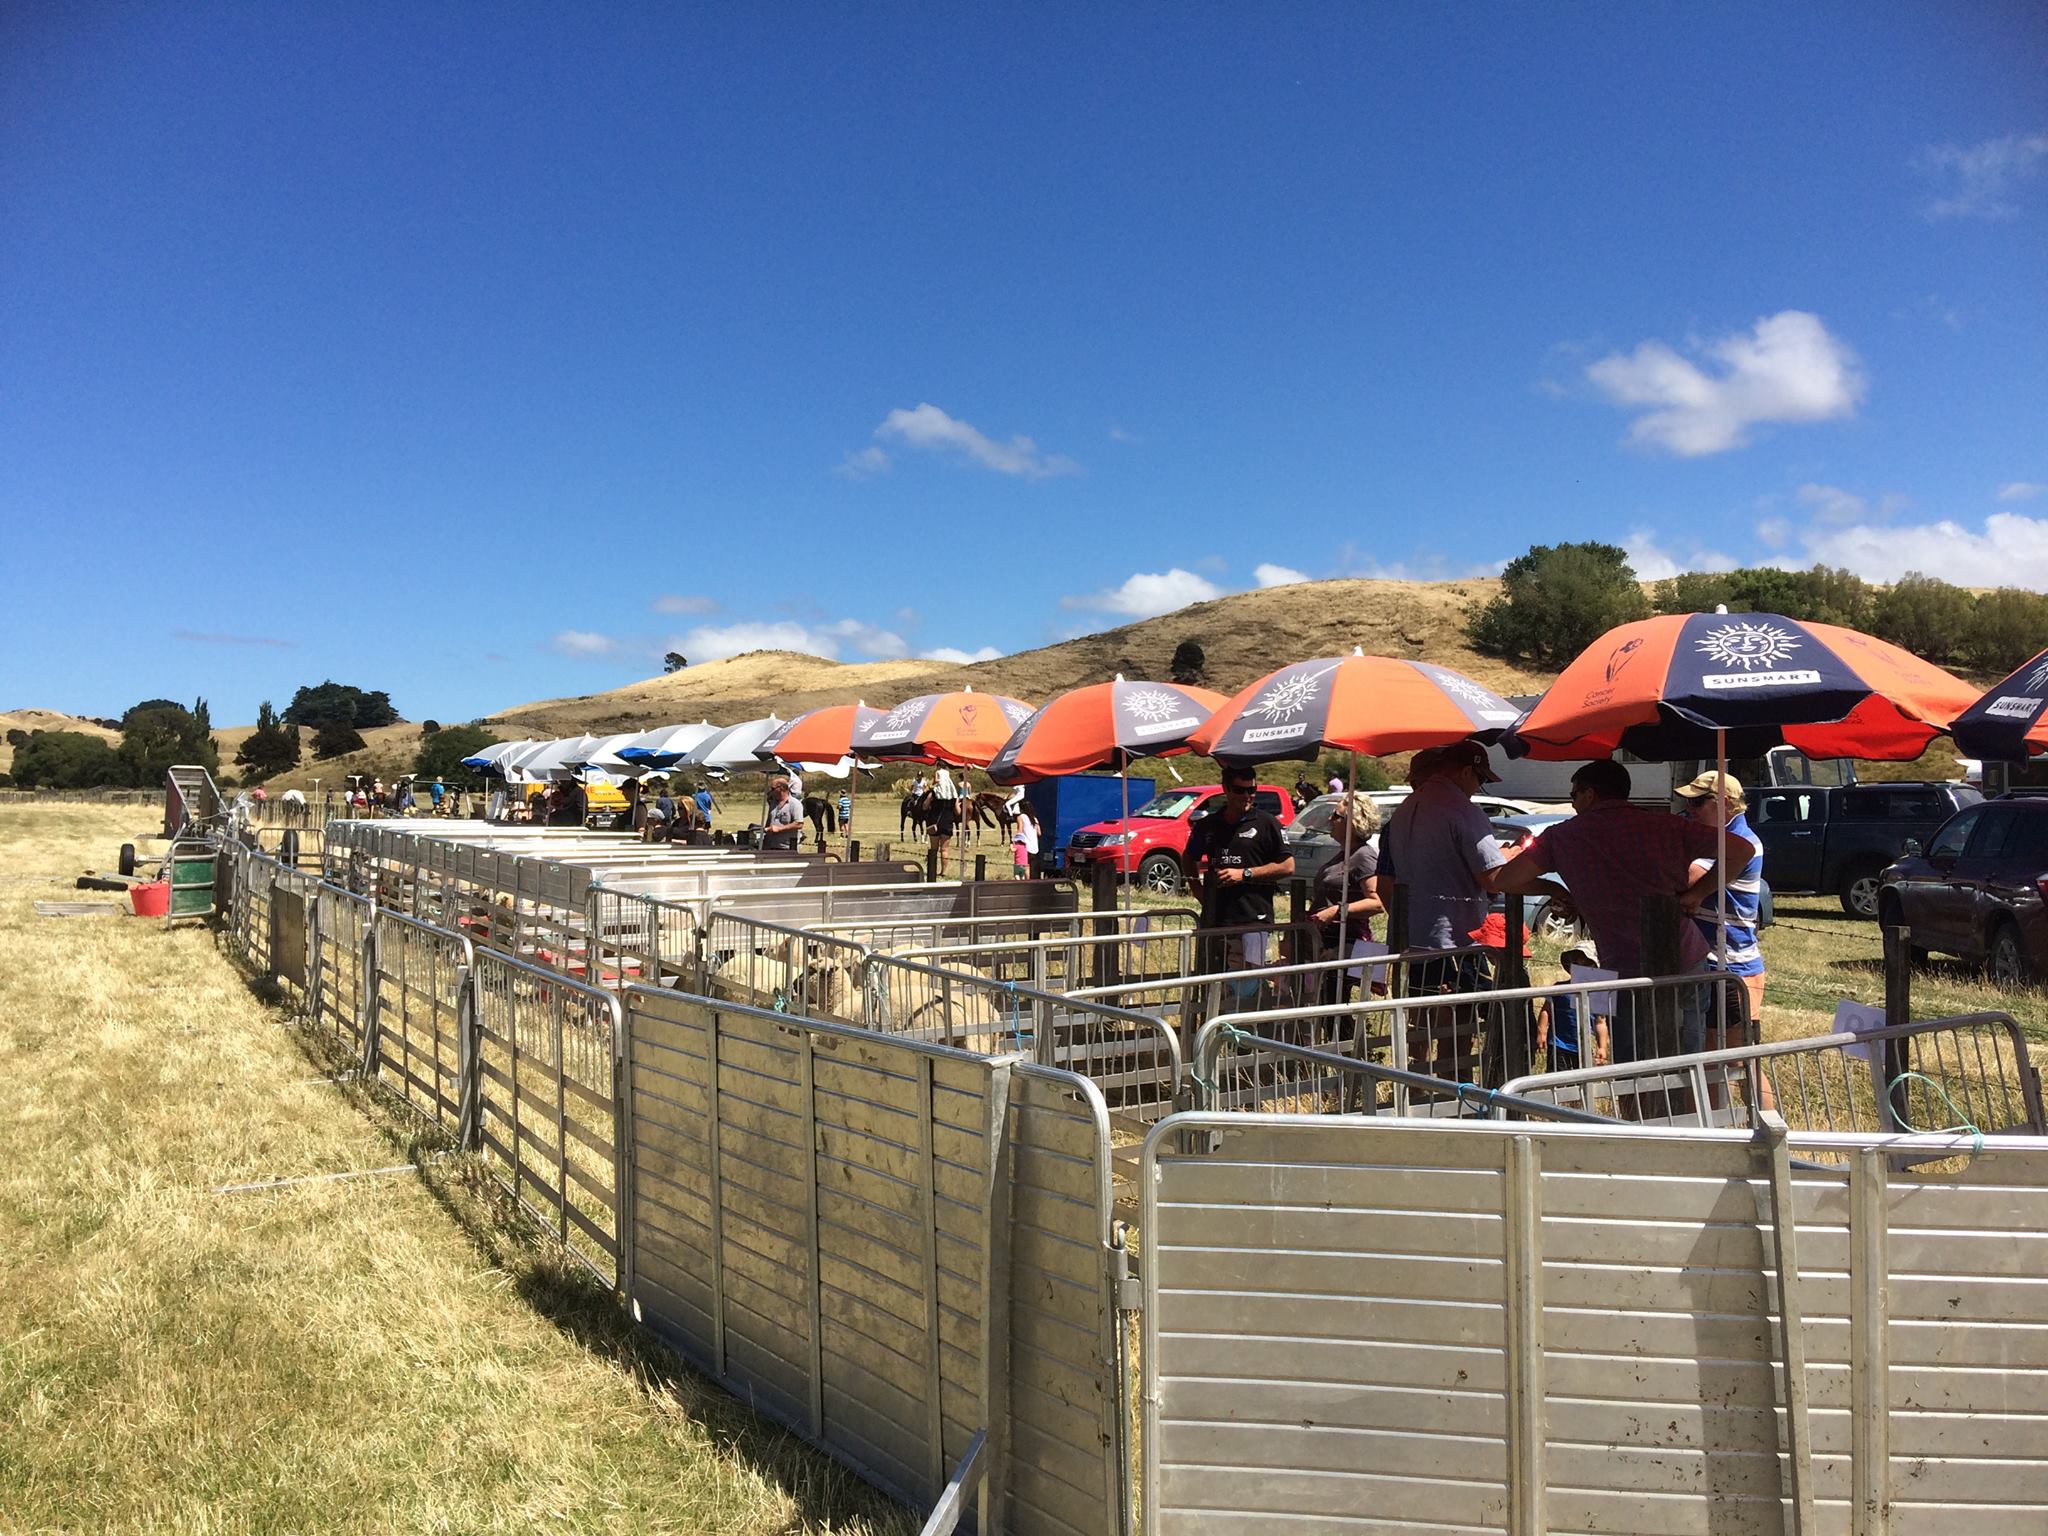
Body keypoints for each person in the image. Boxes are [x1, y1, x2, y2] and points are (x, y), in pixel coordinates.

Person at [1496, 757, 1754, 1062]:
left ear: (1589, 794)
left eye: (1573, 795)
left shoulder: (1562, 837)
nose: (1573, 803)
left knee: (1632, 1070)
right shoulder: (1666, 825)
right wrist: (1698, 894)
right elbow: (1742, 850)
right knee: (1687, 1065)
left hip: (1623, 969)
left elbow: (1509, 879)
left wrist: (1555, 889)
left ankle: (1639, 1110)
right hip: (1684, 958)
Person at [1186, 768, 1294, 970]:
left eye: (1252, 790)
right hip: (1216, 918)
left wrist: (1245, 874)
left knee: (1250, 984)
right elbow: (1189, 856)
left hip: (1254, 919)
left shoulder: (1267, 823)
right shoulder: (1208, 824)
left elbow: (1288, 866)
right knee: (1212, 979)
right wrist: (1197, 889)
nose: (1246, 796)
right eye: (1239, 790)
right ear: (1226, 789)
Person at [1311, 793, 1385, 1002]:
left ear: (1352, 822)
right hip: (1330, 941)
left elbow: (1377, 902)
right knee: (1326, 1004)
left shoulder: (1363, 856)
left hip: (1347, 944)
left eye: (1336, 816)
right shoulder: (1344, 854)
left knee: (1333, 1008)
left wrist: (1336, 910)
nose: (1329, 820)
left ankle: (1345, 1036)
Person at [1535, 942, 1611, 1070]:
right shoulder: (1560, 988)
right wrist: (1541, 1032)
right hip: (1559, 1044)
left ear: (1594, 967)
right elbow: (1546, 1010)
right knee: (1558, 1078)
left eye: (1585, 964)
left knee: (1582, 1080)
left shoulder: (1597, 992)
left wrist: (1602, 1047)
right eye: (1574, 963)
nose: (1578, 968)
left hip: (1584, 1047)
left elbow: (1600, 1022)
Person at [761, 777, 803, 850]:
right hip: (770, 845)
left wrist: (779, 829)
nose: (771, 791)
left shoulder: (795, 804)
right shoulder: (773, 803)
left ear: (781, 788)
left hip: (787, 847)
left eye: (773, 789)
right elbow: (769, 822)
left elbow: (799, 823)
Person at [1011, 800, 1039, 879]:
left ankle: (1025, 882)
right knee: (1029, 866)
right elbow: (1039, 833)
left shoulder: (1021, 817)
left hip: (1026, 846)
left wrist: (1014, 841)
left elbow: (1020, 831)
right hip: (1035, 847)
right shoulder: (1035, 819)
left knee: (1024, 866)